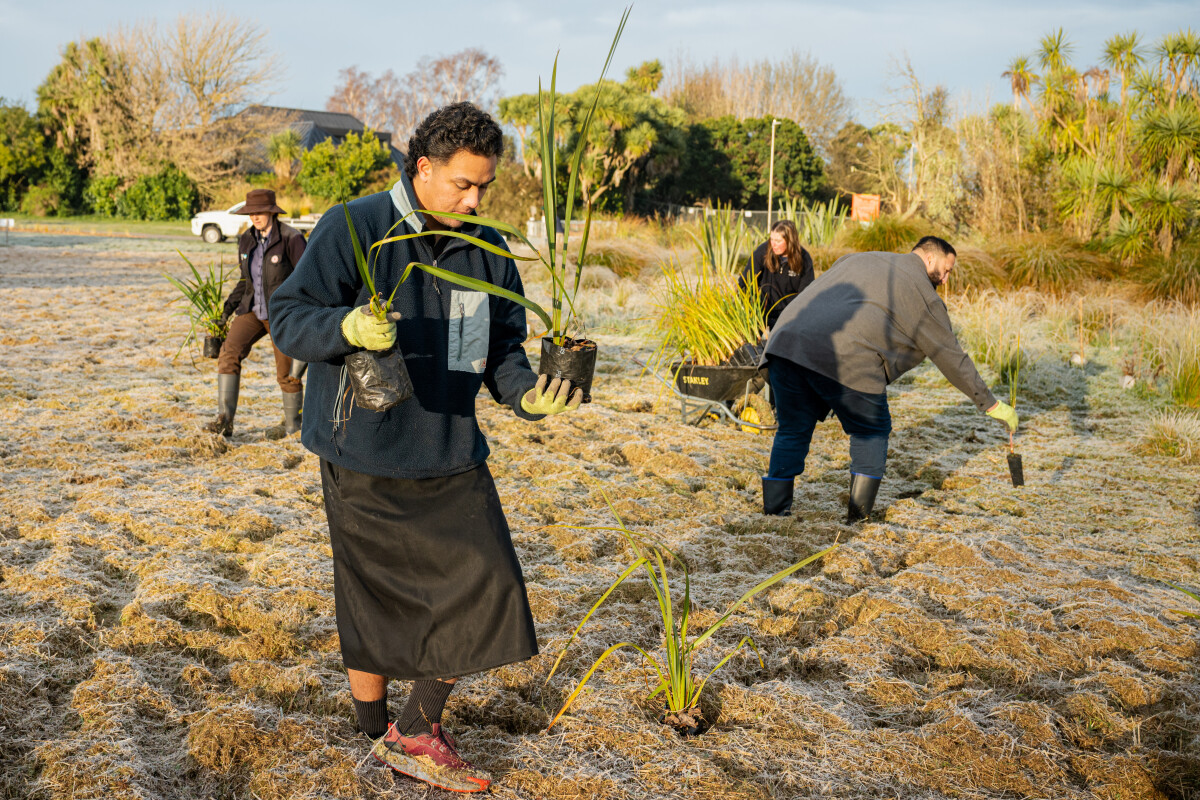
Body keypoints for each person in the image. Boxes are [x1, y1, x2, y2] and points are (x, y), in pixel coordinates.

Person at [269, 102, 583, 794]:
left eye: (484, 188)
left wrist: (525, 395)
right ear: (423, 168)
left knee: (488, 585)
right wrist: (347, 324)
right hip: (363, 449)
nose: (473, 201)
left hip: (450, 450)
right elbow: (289, 318)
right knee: (371, 595)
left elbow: (502, 348)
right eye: (461, 186)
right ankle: (377, 733)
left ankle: (414, 727)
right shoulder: (355, 227)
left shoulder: (488, 248)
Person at [759, 236, 1018, 520]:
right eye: (947, 269)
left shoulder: (858, 257)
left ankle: (774, 512)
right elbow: (951, 356)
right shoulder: (922, 292)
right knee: (871, 430)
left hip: (785, 345)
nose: (945, 279)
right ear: (930, 258)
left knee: (792, 429)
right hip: (845, 358)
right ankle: (858, 517)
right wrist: (991, 404)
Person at [206, 188, 308, 439]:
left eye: (260, 212)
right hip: (252, 310)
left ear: (272, 212)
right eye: (251, 212)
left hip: (281, 314)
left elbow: (307, 279)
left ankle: (294, 429)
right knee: (228, 354)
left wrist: (302, 315)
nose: (255, 217)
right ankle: (224, 422)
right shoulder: (246, 240)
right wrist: (226, 311)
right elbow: (245, 281)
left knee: (288, 374)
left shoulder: (291, 239)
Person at [740, 219, 815, 330]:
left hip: (789, 317)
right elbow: (745, 283)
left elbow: (806, 294)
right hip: (762, 315)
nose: (773, 244)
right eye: (771, 239)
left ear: (790, 241)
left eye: (778, 241)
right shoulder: (762, 253)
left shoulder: (804, 258)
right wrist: (749, 311)